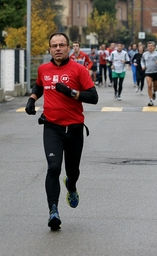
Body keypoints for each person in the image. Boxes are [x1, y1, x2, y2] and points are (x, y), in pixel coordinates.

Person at [25, 32, 98, 231]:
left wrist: (70, 92)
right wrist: (32, 99)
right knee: (53, 168)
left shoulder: (78, 69)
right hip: (52, 128)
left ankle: (71, 185)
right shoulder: (43, 69)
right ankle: (53, 211)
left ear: (68, 48)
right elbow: (39, 86)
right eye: (54, 45)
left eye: (61, 45)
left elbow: (93, 97)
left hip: (74, 129)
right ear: (49, 49)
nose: (58, 48)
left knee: (71, 171)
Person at [141, 41, 157, 106]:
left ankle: (154, 92)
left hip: (156, 72)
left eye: (151, 46)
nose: (150, 47)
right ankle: (151, 100)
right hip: (148, 72)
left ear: (154, 47)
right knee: (149, 85)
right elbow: (142, 61)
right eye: (149, 46)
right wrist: (143, 66)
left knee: (155, 88)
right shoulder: (145, 54)